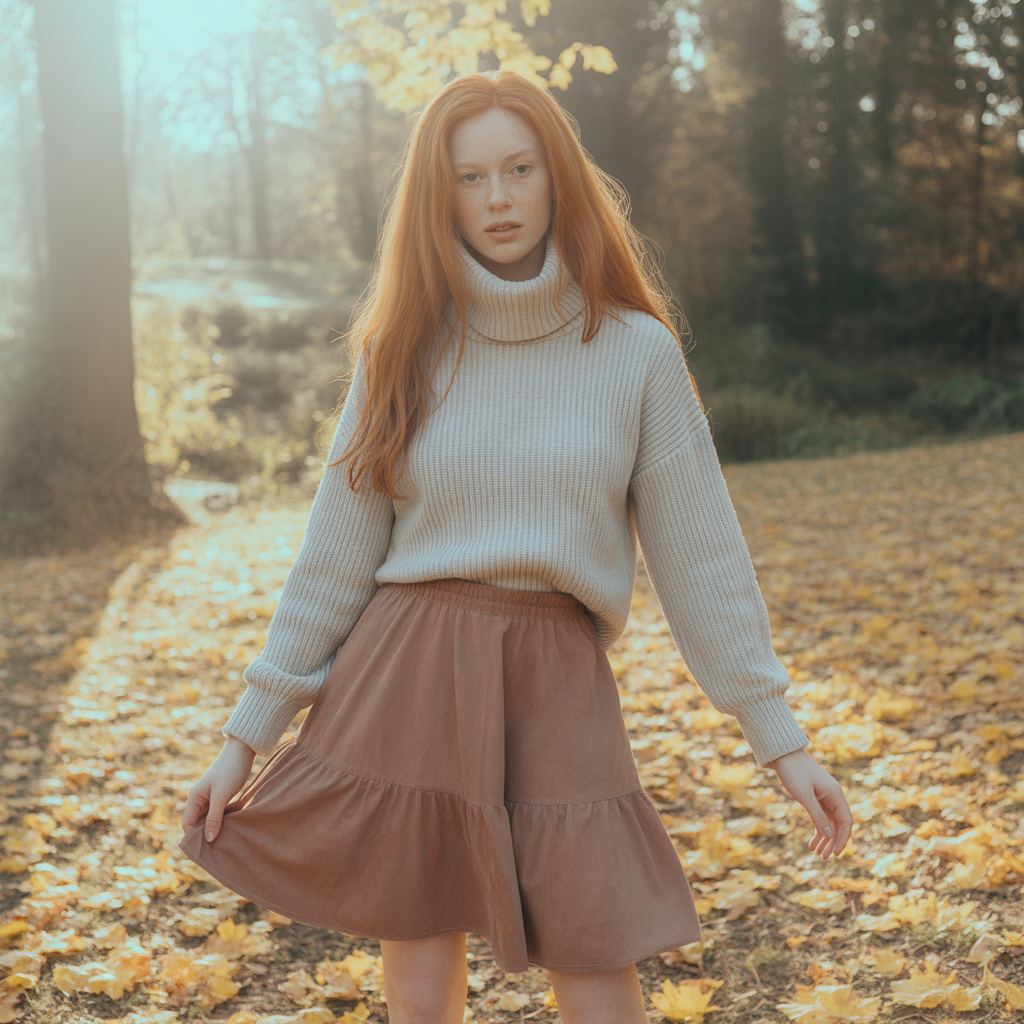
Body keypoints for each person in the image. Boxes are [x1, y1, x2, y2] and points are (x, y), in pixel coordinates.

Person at [180, 69, 853, 1024]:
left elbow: (702, 560)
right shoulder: (400, 349)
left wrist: (781, 742)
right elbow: (332, 561)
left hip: (558, 673)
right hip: (407, 669)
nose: (497, 198)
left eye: (519, 169)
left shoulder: (635, 354)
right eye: (469, 177)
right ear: (438, 193)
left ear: (556, 177)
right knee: (419, 941)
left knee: (594, 935)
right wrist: (243, 740)